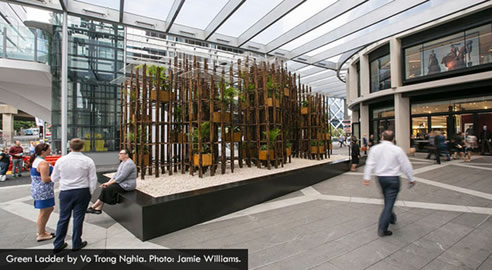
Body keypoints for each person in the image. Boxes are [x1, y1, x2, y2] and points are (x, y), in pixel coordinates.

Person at [363, 130, 415, 237]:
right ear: (393, 138)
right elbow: (406, 165)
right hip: (393, 179)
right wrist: (411, 178)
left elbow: (369, 164)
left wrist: (367, 177)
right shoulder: (397, 150)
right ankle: (382, 228)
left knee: (388, 199)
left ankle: (391, 217)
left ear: (382, 137)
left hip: (381, 179)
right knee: (389, 202)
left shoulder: (374, 149)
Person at [52, 138, 97, 253]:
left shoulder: (61, 160)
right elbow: (92, 179)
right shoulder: (88, 161)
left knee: (63, 217)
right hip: (82, 191)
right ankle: (76, 242)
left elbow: (54, 178)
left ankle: (58, 244)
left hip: (66, 191)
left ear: (70, 147)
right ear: (82, 147)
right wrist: (91, 192)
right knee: (78, 217)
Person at [87, 149, 136, 214]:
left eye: (121, 153)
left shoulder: (129, 164)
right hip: (121, 183)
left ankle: (94, 207)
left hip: (127, 185)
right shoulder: (123, 162)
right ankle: (98, 208)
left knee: (108, 188)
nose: (119, 155)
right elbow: (116, 175)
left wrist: (109, 184)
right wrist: (108, 183)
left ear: (126, 155)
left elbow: (121, 177)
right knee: (106, 187)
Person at [30, 143, 56, 241]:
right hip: (43, 190)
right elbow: (45, 179)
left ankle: (42, 231)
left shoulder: (37, 161)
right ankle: (41, 233)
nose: (50, 150)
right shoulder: (43, 163)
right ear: (43, 151)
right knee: (45, 211)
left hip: (39, 189)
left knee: (47, 210)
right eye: (49, 149)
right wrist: (56, 177)